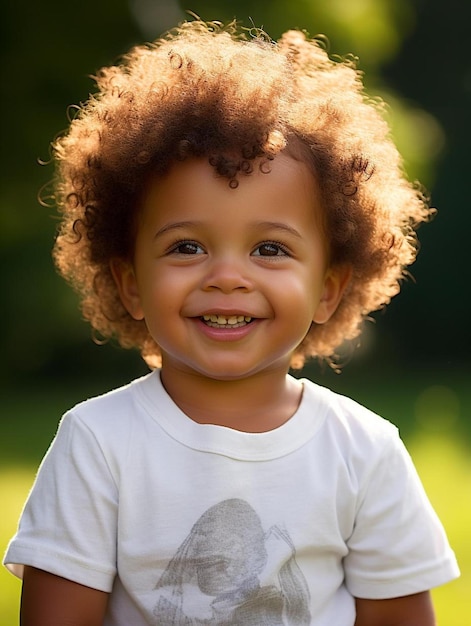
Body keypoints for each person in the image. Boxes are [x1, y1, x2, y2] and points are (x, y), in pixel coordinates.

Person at [4, 18, 459, 626]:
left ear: (328, 290)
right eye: (187, 247)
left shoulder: (362, 453)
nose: (227, 276)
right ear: (130, 283)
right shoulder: (98, 445)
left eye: (270, 249)